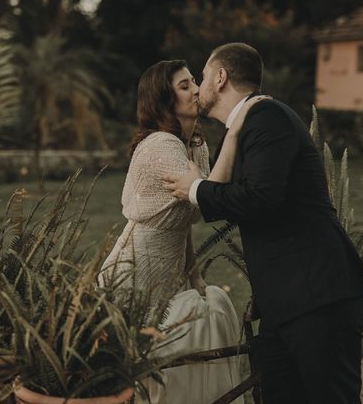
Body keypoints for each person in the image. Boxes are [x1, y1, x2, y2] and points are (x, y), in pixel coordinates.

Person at [163, 43, 363, 404]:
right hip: (287, 302)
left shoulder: (268, 118)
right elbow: (236, 196)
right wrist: (203, 184)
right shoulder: (248, 125)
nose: (199, 87)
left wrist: (195, 189)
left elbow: (260, 199)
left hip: (319, 295)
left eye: (202, 76)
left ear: (221, 77)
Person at [98, 59, 265, 404]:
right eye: (184, 86)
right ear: (163, 100)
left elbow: (183, 217)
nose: (195, 90)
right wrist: (234, 133)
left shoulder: (196, 146)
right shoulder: (161, 145)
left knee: (188, 342)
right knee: (146, 369)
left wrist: (193, 274)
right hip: (135, 273)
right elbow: (205, 200)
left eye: (194, 82)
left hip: (170, 272)